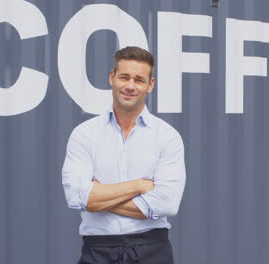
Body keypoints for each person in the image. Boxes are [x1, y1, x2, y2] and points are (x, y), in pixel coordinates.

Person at [62, 46, 186, 264]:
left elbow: (167, 203)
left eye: (139, 80)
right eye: (124, 77)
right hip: (97, 251)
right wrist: (138, 186)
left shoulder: (167, 136)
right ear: (112, 77)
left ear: (150, 85)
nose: (130, 86)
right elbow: (76, 196)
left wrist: (97, 198)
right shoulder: (84, 134)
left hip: (152, 251)